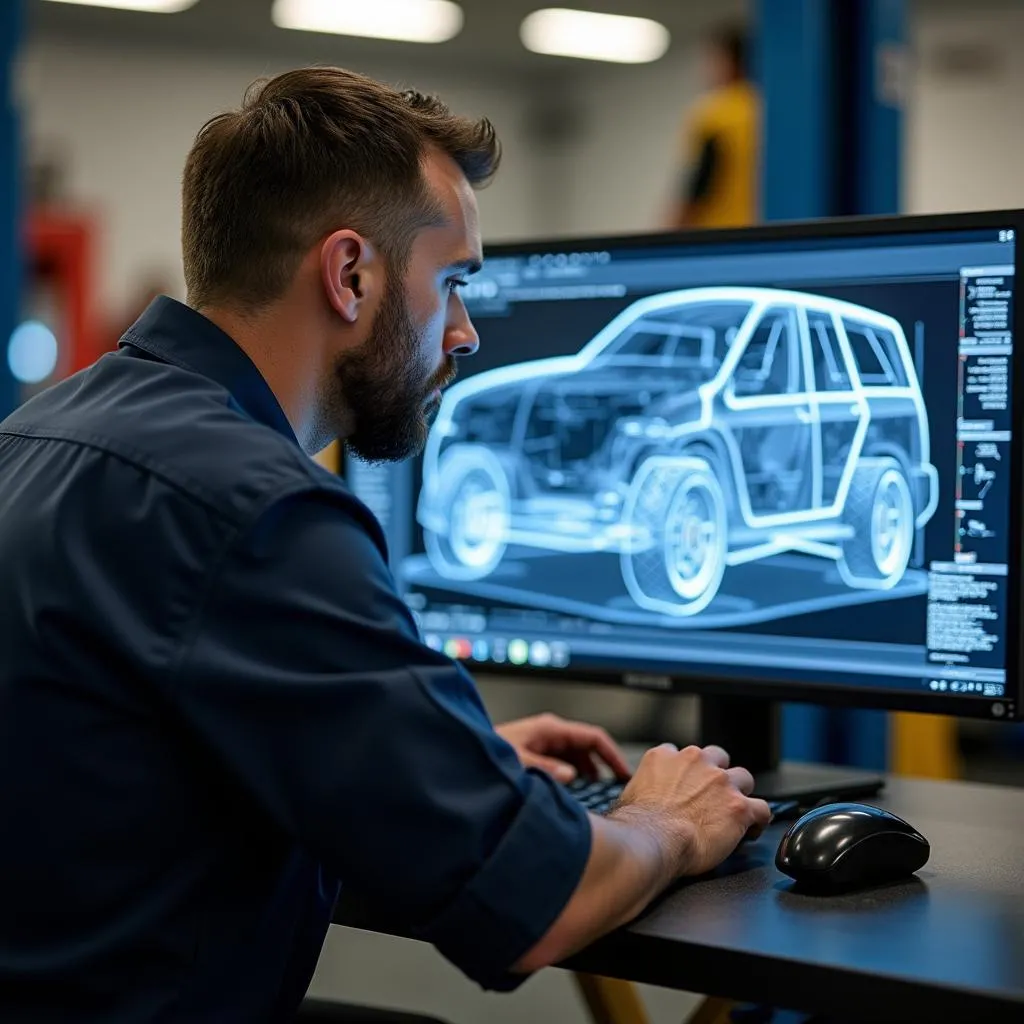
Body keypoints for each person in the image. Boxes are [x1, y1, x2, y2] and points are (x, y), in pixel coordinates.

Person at [0, 67, 771, 1022]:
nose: (467, 333)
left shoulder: (38, 437)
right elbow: (539, 902)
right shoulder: (262, 510)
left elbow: (131, 747)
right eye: (451, 283)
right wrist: (668, 821)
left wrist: (435, 756)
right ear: (350, 273)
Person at [667, 24, 760, 230]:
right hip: (759, 227)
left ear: (730, 61)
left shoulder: (716, 113)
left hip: (717, 232)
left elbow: (699, 182)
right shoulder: (762, 107)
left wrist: (668, 231)